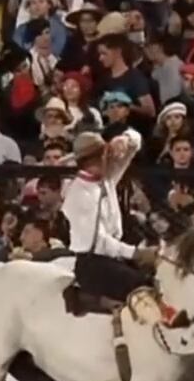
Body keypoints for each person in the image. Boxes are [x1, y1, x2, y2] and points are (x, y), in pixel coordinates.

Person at [60, 131, 180, 325]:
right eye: (108, 154)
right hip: (93, 263)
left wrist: (124, 140)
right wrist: (137, 253)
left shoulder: (105, 179)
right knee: (141, 286)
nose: (114, 159)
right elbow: (99, 242)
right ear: (99, 158)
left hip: (112, 257)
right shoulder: (79, 194)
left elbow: (134, 145)